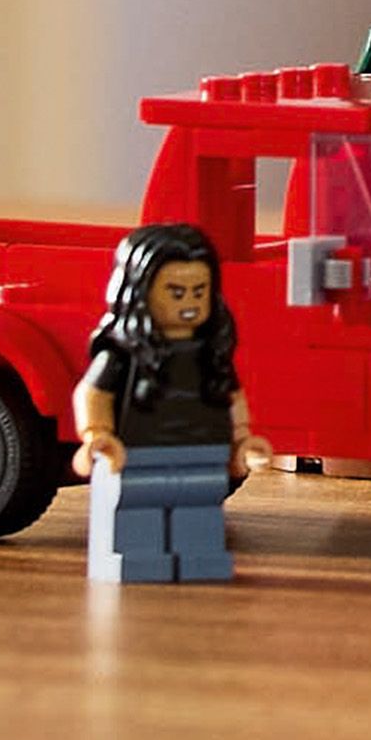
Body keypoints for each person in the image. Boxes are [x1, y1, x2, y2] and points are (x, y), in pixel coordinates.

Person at [72, 223, 270, 582]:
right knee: (138, 512)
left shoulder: (211, 353)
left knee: (199, 512)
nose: (190, 304)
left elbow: (231, 396)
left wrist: (242, 439)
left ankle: (199, 559)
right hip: (138, 453)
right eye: (176, 293)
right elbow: (92, 393)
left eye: (199, 292)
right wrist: (96, 434)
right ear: (139, 292)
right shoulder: (124, 354)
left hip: (203, 453)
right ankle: (138, 559)